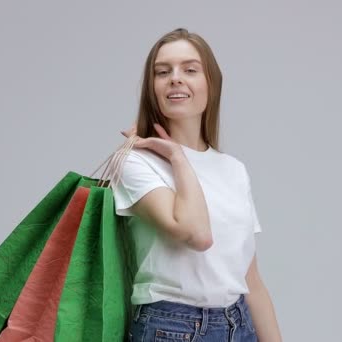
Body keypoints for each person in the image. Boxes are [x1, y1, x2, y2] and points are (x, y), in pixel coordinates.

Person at [113, 28, 282, 341]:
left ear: (211, 85)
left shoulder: (233, 170)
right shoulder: (136, 162)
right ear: (152, 88)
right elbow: (197, 234)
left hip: (239, 323)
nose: (175, 78)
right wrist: (177, 157)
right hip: (171, 328)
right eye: (162, 72)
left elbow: (251, 280)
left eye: (190, 70)